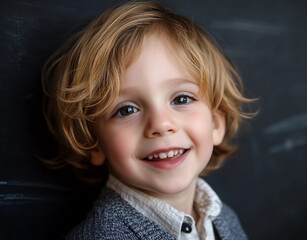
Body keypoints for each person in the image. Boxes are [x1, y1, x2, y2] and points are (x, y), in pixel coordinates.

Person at [42, 1, 253, 239]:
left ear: (216, 123)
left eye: (182, 99)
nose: (161, 124)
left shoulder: (225, 219)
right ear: (93, 142)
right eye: (126, 110)